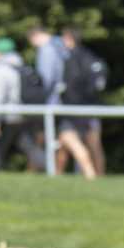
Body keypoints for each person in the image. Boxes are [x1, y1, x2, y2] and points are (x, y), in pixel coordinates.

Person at [25, 23, 97, 180]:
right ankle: (51, 173)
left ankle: (89, 172)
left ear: (34, 36)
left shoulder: (47, 50)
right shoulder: (62, 46)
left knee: (66, 137)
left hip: (56, 103)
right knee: (57, 139)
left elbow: (47, 80)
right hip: (74, 100)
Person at [0, 37, 46, 172]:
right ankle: (51, 167)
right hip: (22, 115)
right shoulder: (20, 67)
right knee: (29, 147)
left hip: (6, 117)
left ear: (0, 53)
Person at [59, 27, 109, 175]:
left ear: (69, 38)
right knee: (93, 144)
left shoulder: (72, 59)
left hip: (74, 108)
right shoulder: (91, 57)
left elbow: (71, 85)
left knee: (69, 139)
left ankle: (90, 174)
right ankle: (100, 176)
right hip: (91, 107)